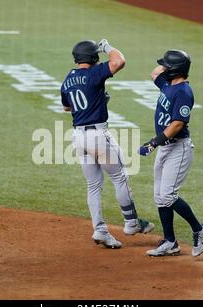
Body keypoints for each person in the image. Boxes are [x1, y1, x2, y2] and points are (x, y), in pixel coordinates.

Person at [60, 39, 155, 249]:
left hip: (78, 137)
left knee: (93, 185)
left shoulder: (68, 79)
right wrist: (107, 47)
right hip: (98, 136)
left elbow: (68, 108)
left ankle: (100, 230)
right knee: (119, 177)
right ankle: (131, 223)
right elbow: (119, 61)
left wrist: (98, 100)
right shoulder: (93, 73)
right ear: (93, 58)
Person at [138, 49, 203, 257]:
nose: (163, 69)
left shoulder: (183, 92)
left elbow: (177, 124)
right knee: (160, 197)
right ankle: (170, 242)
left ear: (176, 71)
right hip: (166, 146)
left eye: (167, 67)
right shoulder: (168, 84)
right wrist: (168, 64)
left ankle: (200, 230)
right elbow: (154, 74)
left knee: (168, 195)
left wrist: (153, 143)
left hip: (178, 148)